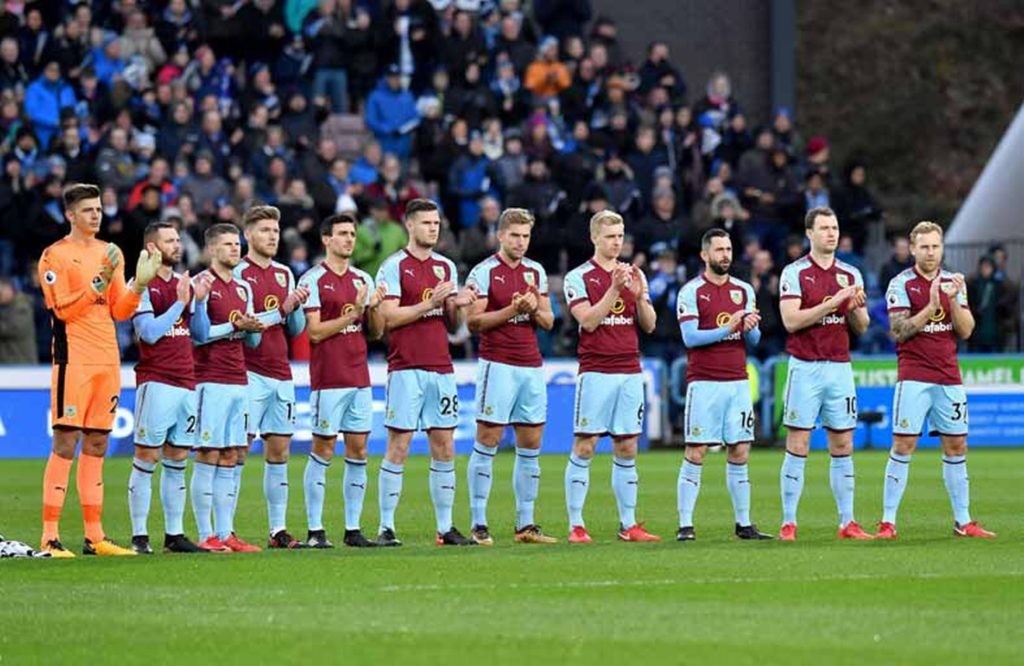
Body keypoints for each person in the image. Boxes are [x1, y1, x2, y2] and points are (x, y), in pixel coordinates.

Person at [37, 182, 162, 557]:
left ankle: (95, 537)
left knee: (97, 443)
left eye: (99, 208)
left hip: (107, 360)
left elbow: (119, 310)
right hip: (73, 359)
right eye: (89, 209)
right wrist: (97, 281)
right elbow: (62, 310)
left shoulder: (111, 252)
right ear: (70, 215)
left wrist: (139, 283)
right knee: (66, 441)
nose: (97, 214)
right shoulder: (54, 256)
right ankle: (50, 537)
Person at [876, 222, 995, 539]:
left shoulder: (955, 281)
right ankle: (888, 522)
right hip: (914, 375)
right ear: (912, 249)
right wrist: (931, 306)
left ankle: (963, 521)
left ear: (942, 248)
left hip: (948, 375)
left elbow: (967, 330)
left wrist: (953, 299)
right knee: (904, 444)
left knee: (957, 445)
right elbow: (899, 331)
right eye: (924, 246)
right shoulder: (901, 284)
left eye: (935, 246)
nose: (931, 252)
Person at [374, 199, 478, 546]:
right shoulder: (393, 266)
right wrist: (429, 303)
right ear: (410, 226)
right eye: (427, 223)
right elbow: (388, 317)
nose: (433, 228)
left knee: (445, 445)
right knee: (399, 445)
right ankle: (386, 527)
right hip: (405, 367)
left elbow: (452, 325)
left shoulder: (446, 266)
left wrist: (455, 306)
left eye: (436, 223)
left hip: (441, 367)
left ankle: (445, 527)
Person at [561, 210, 659, 543]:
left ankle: (628, 524)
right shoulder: (579, 277)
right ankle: (576, 524)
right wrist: (615, 290)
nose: (617, 242)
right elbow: (588, 321)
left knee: (627, 445)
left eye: (620, 236)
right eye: (610, 236)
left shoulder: (635, 274)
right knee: (586, 444)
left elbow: (649, 324)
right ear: (595, 238)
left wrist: (636, 293)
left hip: (630, 369)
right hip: (597, 370)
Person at [777, 206, 871, 541]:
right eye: (824, 228)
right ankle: (789, 522)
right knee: (798, 441)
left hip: (839, 367)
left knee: (843, 441)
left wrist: (855, 306)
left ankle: (848, 522)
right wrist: (834, 303)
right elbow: (791, 321)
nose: (832, 233)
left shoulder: (851, 273)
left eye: (835, 227)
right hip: (805, 366)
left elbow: (862, 326)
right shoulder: (795, 272)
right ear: (810, 233)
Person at [464, 208, 557, 546]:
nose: (521, 242)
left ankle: (526, 523)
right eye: (515, 235)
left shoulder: (536, 271)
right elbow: (473, 322)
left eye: (526, 236)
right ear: (500, 235)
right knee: (488, 437)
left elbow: (548, 321)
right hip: (497, 363)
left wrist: (533, 309)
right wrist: (511, 311)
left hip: (531, 364)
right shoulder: (485, 271)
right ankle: (479, 523)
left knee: (531, 441)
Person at [675, 229, 772, 541]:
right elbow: (690, 337)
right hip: (704, 382)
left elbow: (753, 341)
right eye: (719, 250)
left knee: (740, 450)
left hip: (737, 382)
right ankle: (685, 525)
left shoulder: (743, 290)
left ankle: (744, 524)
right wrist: (728, 327)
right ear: (705, 255)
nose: (725, 255)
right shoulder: (691, 291)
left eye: (728, 249)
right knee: (697, 450)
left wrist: (749, 327)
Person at [299, 213, 386, 549]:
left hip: (359, 377)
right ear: (326, 239)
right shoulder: (314, 279)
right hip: (328, 379)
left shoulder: (362, 278)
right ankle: (315, 530)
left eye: (352, 233)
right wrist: (353, 313)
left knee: (359, 450)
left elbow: (376, 332)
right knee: (323, 448)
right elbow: (316, 332)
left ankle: (353, 530)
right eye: (343, 234)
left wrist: (373, 308)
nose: (350, 239)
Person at [127, 222, 204, 554]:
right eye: (170, 240)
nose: (178, 245)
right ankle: (140, 536)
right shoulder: (141, 285)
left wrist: (197, 302)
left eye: (178, 240)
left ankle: (174, 535)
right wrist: (179, 303)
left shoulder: (183, 283)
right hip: (156, 380)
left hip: (187, 380)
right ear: (152, 247)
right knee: (146, 456)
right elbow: (149, 333)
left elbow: (199, 334)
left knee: (177, 459)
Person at [235, 206, 310, 549]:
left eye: (275, 231)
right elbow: (246, 323)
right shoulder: (237, 273)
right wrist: (282, 308)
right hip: (248, 371)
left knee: (279, 451)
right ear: (248, 234)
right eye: (264, 230)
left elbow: (294, 328)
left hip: (281, 372)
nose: (272, 236)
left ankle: (277, 530)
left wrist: (296, 308)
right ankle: (226, 529)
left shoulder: (283, 273)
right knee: (237, 450)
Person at [188, 223, 265, 553]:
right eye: (228, 245)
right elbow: (199, 333)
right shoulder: (199, 285)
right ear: (212, 250)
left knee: (233, 454)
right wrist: (234, 325)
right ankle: (206, 534)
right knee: (208, 453)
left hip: (238, 379)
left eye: (237, 244)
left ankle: (226, 532)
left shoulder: (244, 288)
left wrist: (251, 328)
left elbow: (253, 340)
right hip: (210, 380)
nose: (236, 249)